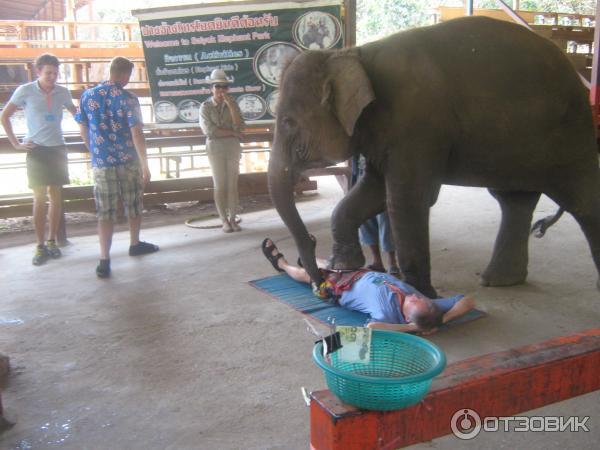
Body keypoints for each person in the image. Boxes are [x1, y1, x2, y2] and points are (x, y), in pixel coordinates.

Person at [261, 238, 476, 334]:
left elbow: (372, 328)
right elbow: (468, 301)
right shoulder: (430, 309)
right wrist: (441, 320)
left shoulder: (387, 316)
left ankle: (281, 264)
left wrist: (412, 329)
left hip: (338, 289)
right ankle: (308, 257)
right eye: (420, 298)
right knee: (331, 263)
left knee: (308, 275)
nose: (416, 297)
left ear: (409, 319)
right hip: (360, 273)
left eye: (414, 302)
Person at [76, 56, 159, 278]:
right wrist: (145, 165)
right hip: (127, 160)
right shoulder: (128, 98)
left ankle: (104, 258)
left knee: (105, 211)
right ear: (125, 75)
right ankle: (134, 243)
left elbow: (82, 127)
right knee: (133, 203)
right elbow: (136, 133)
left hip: (102, 162)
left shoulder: (88, 95)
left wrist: (95, 150)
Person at [0, 53, 77, 265]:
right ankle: (40, 244)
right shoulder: (25, 91)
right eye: (48, 73)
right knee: (39, 197)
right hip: (37, 149)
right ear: (38, 72)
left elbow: (76, 113)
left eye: (55, 73)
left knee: (56, 195)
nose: (52, 77)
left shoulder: (63, 92)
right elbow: (4, 115)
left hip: (57, 148)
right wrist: (16, 143)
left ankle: (52, 241)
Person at [199, 69, 245, 233]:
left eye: (224, 87)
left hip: (232, 147)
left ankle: (233, 219)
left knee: (232, 184)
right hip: (215, 147)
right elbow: (210, 131)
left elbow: (240, 127)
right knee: (220, 185)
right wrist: (233, 133)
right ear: (211, 88)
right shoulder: (205, 107)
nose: (221, 90)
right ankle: (223, 220)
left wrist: (232, 108)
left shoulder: (233, 104)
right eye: (217, 86)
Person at [352, 154, 400, 276]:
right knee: (365, 217)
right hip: (362, 168)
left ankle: (392, 262)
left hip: (381, 170)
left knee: (385, 217)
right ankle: (377, 261)